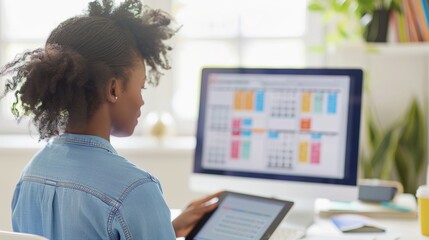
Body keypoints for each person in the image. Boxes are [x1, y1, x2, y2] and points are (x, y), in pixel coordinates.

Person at [0, 0, 220, 239]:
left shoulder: (31, 174)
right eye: (141, 87)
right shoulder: (135, 190)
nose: (142, 101)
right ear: (113, 89)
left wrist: (166, 228)